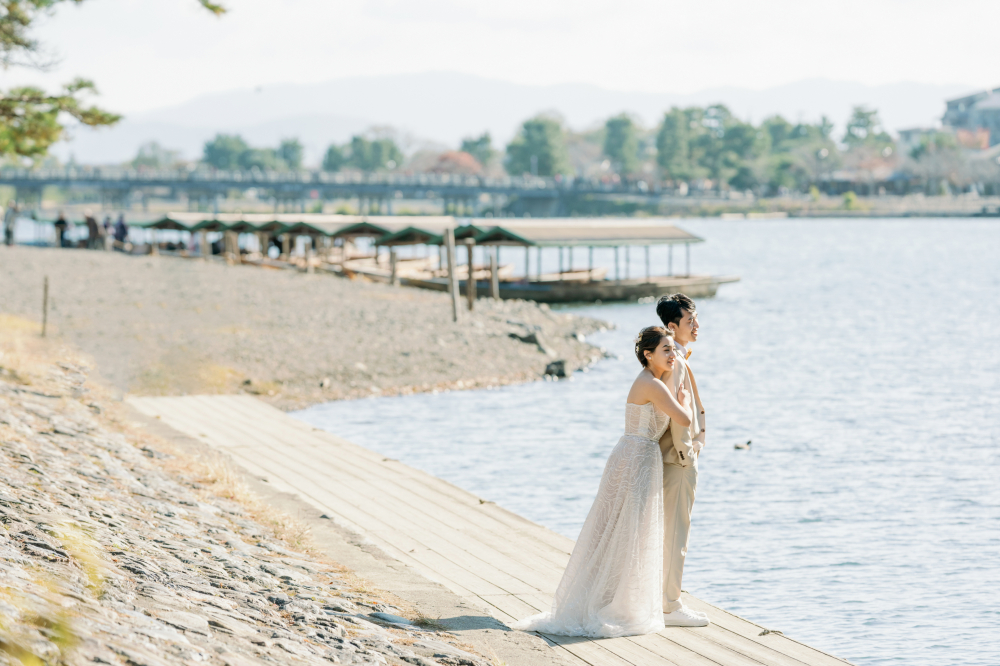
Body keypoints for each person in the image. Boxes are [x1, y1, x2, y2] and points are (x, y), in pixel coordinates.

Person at [513, 326, 692, 638]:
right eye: (666, 350)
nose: (672, 355)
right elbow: (684, 419)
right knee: (624, 531)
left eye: (672, 349)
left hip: (637, 455)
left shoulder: (653, 380)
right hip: (636, 458)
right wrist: (685, 397)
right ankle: (608, 602)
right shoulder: (651, 384)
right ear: (648, 355)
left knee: (624, 531)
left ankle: (610, 597)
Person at [655, 293, 709, 627]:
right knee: (676, 532)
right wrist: (688, 454)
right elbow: (676, 414)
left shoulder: (672, 356)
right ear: (672, 326)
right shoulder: (673, 359)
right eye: (691, 321)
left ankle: (665, 598)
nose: (697, 325)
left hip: (673, 458)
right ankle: (671, 605)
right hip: (677, 461)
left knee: (670, 531)